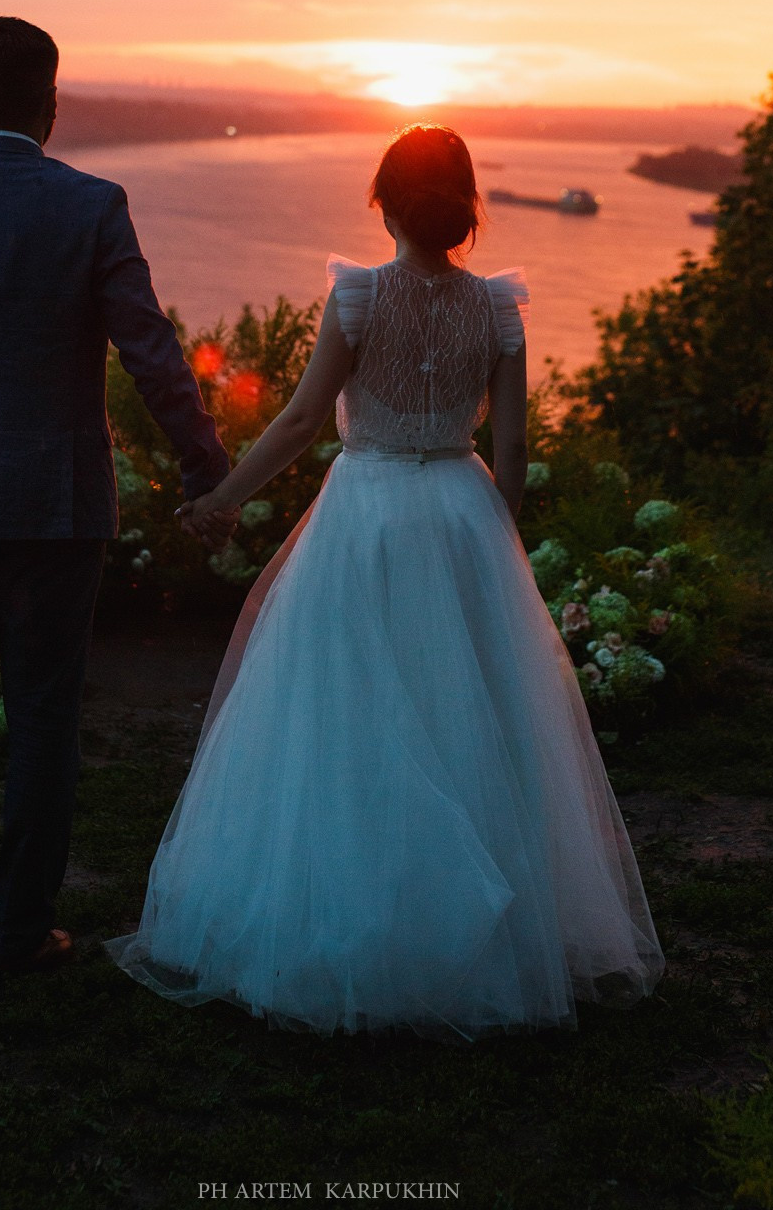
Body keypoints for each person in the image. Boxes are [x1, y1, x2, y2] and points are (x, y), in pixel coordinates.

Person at [107, 123, 664, 1037]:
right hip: (461, 509)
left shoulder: (357, 298)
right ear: (468, 207)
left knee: (345, 713)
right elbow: (515, 445)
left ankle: (347, 925)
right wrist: (499, 532)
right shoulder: (500, 311)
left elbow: (295, 424)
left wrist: (221, 497)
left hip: (362, 515)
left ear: (383, 199)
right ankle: (497, 932)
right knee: (473, 719)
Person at [0, 16, 232, 973]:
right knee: (46, 716)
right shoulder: (94, 206)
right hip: (55, 511)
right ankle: (24, 927)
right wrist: (204, 469)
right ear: (52, 102)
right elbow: (152, 356)